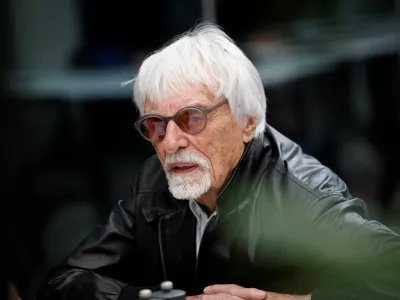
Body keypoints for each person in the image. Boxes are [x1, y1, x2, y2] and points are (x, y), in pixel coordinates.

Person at [38, 22, 400, 300]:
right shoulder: (155, 182)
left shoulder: (301, 191)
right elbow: (62, 282)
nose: (171, 142)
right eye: (155, 125)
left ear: (248, 122)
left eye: (192, 118)